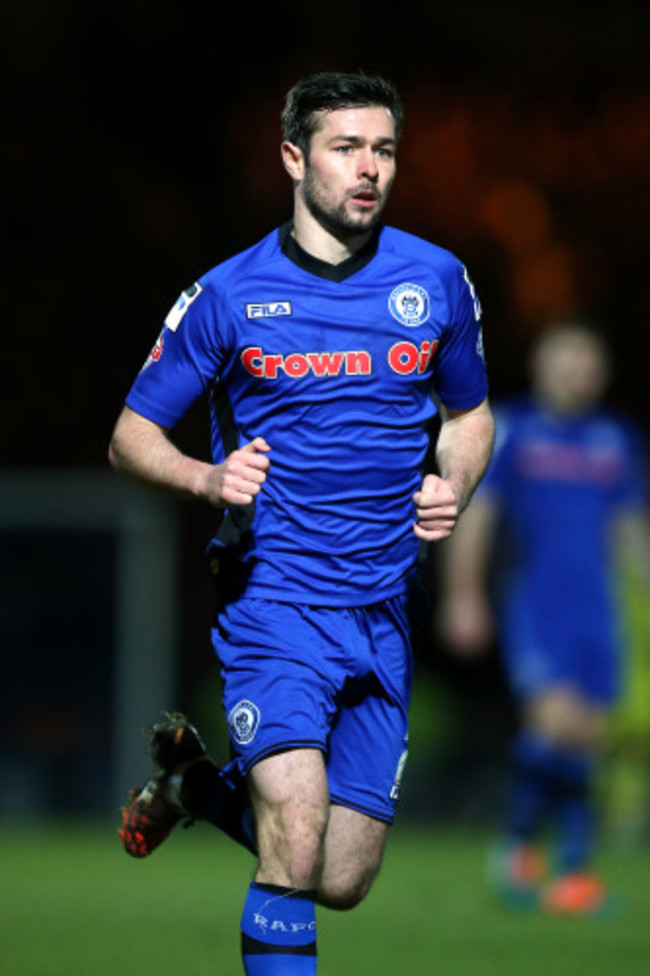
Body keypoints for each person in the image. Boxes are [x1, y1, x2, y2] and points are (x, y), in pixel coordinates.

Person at [109, 71, 495, 972]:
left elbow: (472, 415)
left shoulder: (437, 279)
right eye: (345, 147)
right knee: (294, 825)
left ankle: (193, 787)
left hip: (384, 605)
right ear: (293, 157)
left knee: (341, 876)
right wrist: (207, 477)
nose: (369, 169)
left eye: (384, 149)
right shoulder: (229, 294)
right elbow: (130, 437)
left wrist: (455, 480)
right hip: (273, 601)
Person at [439, 322, 648, 915]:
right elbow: (477, 517)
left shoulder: (614, 439)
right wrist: (463, 596)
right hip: (535, 602)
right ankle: (531, 851)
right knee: (557, 722)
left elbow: (630, 532)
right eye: (566, 358)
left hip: (597, 611)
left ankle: (555, 864)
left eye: (588, 360)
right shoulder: (513, 430)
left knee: (587, 736)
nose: (577, 371)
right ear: (541, 364)